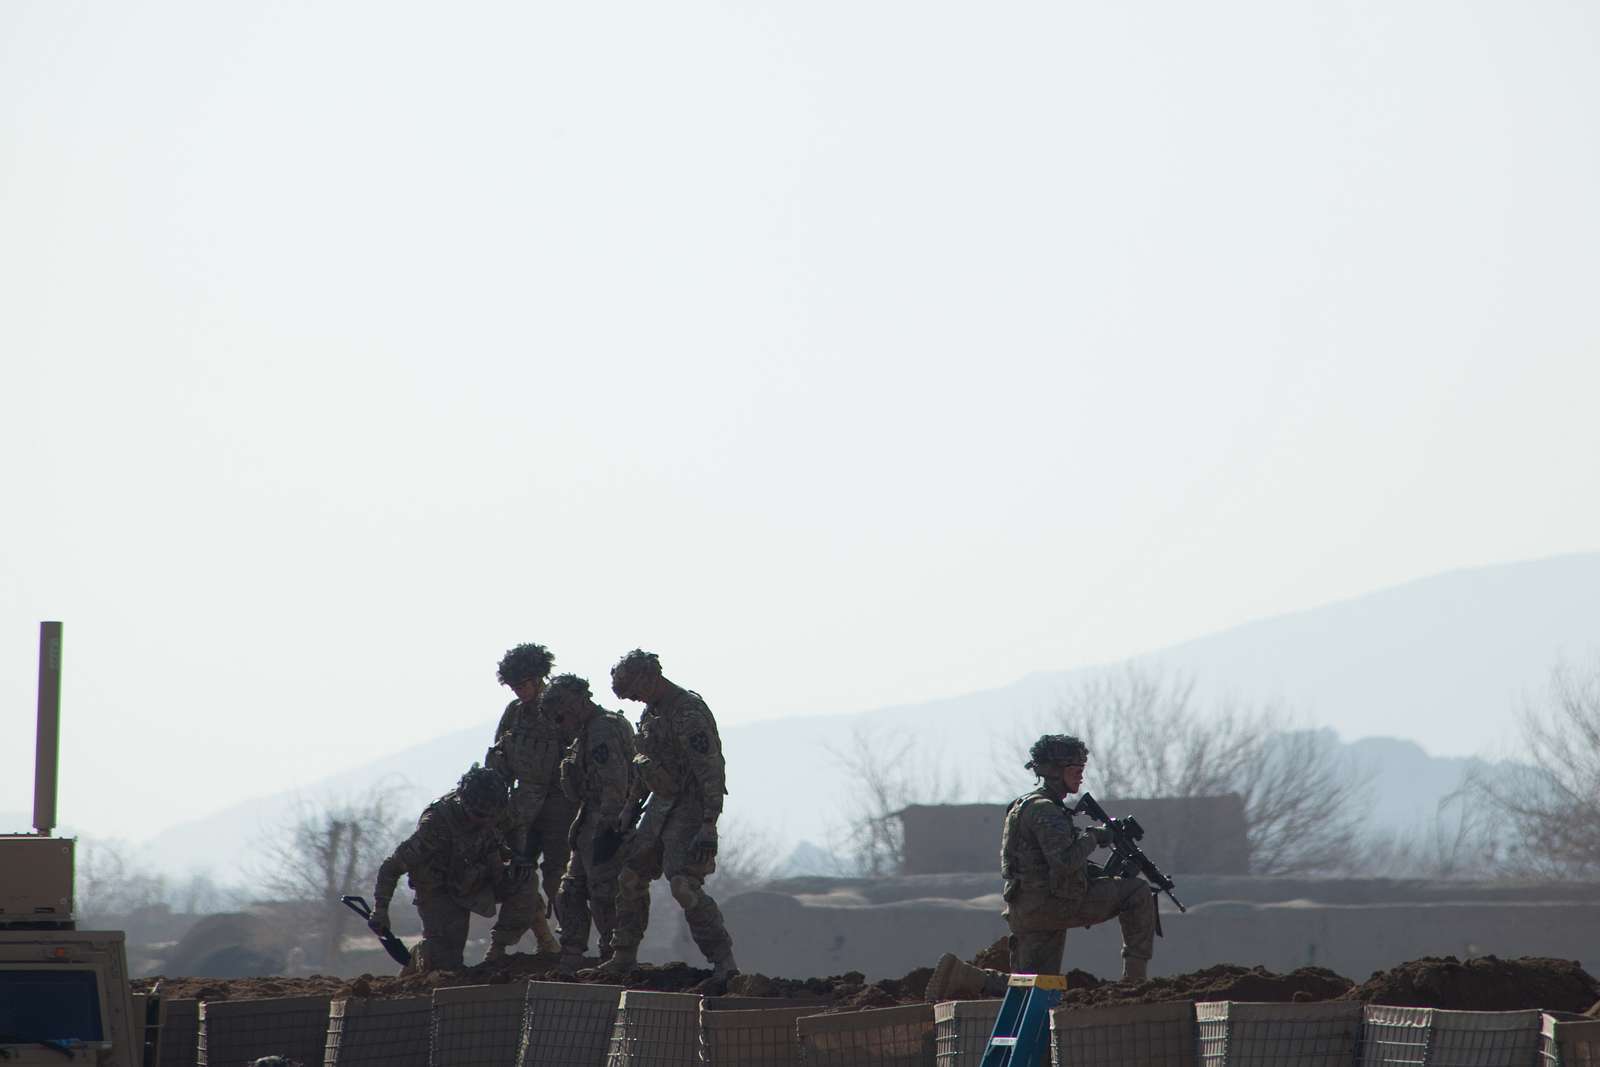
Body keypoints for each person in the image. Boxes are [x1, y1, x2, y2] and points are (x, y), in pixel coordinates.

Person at [924, 733, 1157, 1000]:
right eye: (1076, 769)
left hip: (1027, 908)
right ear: (1055, 772)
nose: (1081, 776)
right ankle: (1135, 983)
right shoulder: (1046, 810)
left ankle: (966, 976)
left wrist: (1095, 867)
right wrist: (1095, 836)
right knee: (1137, 892)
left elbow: (1042, 862)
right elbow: (1065, 861)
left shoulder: (1026, 805)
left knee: (1035, 988)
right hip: (1053, 905)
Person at [588, 649, 738, 985]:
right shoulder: (651, 714)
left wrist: (709, 824)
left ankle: (724, 963)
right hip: (658, 808)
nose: (636, 699)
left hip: (691, 807)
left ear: (650, 677)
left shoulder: (688, 712)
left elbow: (710, 769)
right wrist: (629, 809)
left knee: (683, 884)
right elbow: (645, 765)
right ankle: (623, 956)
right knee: (630, 877)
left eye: (636, 691)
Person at [367, 764, 541, 973]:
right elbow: (392, 866)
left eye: (491, 816)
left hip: (480, 876)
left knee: (525, 878)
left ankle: (498, 950)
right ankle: (423, 954)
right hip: (442, 891)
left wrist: (517, 855)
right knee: (446, 967)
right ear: (464, 803)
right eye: (478, 815)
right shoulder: (436, 823)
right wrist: (380, 910)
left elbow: (516, 825)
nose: (485, 821)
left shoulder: (498, 806)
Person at [540, 673, 638, 974]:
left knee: (604, 893)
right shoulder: (588, 732)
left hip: (604, 822)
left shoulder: (601, 732)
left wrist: (609, 828)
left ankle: (613, 956)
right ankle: (572, 956)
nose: (560, 725)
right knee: (569, 891)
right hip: (588, 821)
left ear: (573, 707)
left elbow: (615, 782)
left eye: (561, 716)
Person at [483, 642, 571, 959]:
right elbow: (499, 758)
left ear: (538, 678)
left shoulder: (563, 708)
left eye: (523, 684)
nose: (519, 692)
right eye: (514, 686)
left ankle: (571, 942)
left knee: (557, 877)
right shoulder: (515, 714)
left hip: (561, 805)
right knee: (519, 874)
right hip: (522, 807)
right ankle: (543, 941)